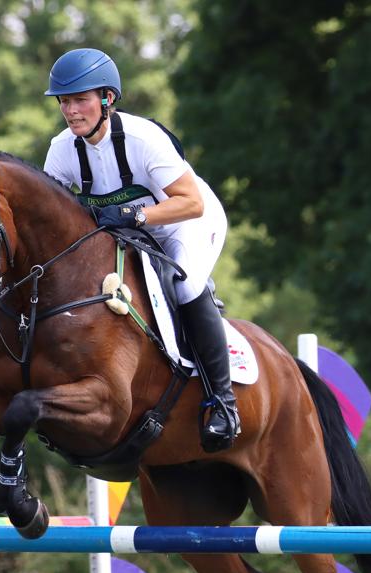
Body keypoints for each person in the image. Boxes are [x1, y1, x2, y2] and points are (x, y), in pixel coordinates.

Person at [43, 48, 240, 453]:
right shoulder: (62, 150)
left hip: (186, 223)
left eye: (80, 99)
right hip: (133, 235)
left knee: (184, 287)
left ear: (107, 99)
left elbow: (191, 203)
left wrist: (133, 214)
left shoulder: (142, 138)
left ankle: (223, 402)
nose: (70, 110)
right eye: (64, 101)